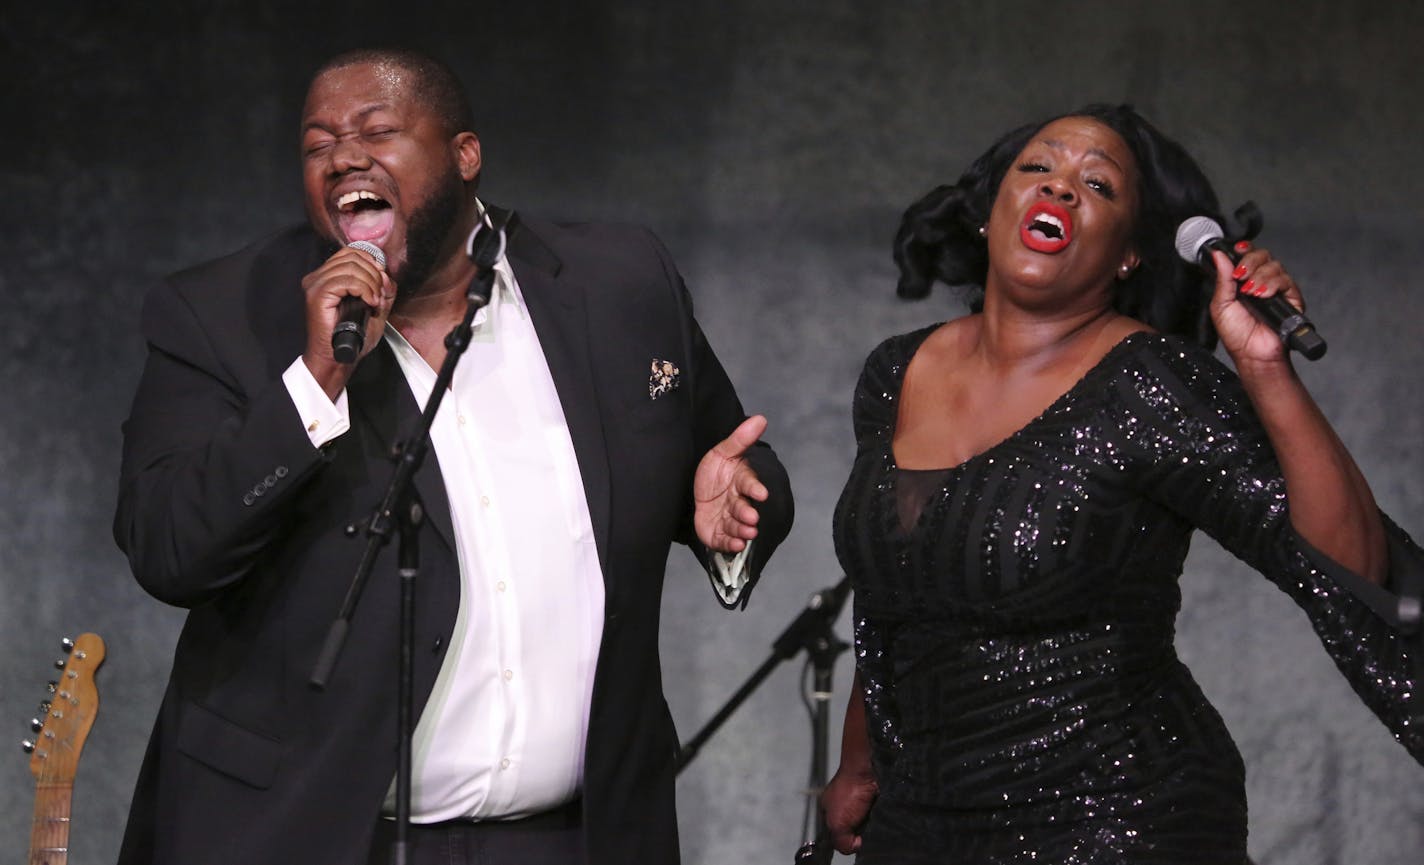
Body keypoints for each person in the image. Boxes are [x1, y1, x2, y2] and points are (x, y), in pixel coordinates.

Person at [112, 47, 792, 865]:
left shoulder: (616, 282)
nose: (344, 157)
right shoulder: (222, 314)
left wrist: (729, 506)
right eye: (318, 142)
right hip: (317, 835)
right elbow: (170, 548)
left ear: (465, 154)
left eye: (377, 130)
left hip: (575, 839)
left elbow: (728, 457)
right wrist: (317, 378)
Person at [821, 104, 1423, 863]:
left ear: (1129, 256)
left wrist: (1267, 370)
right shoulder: (896, 372)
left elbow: (1350, 564)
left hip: (1116, 816)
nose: (1062, 188)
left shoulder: (1149, 383)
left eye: (1097, 185)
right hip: (923, 814)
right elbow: (896, 595)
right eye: (1038, 168)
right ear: (988, 212)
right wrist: (860, 762)